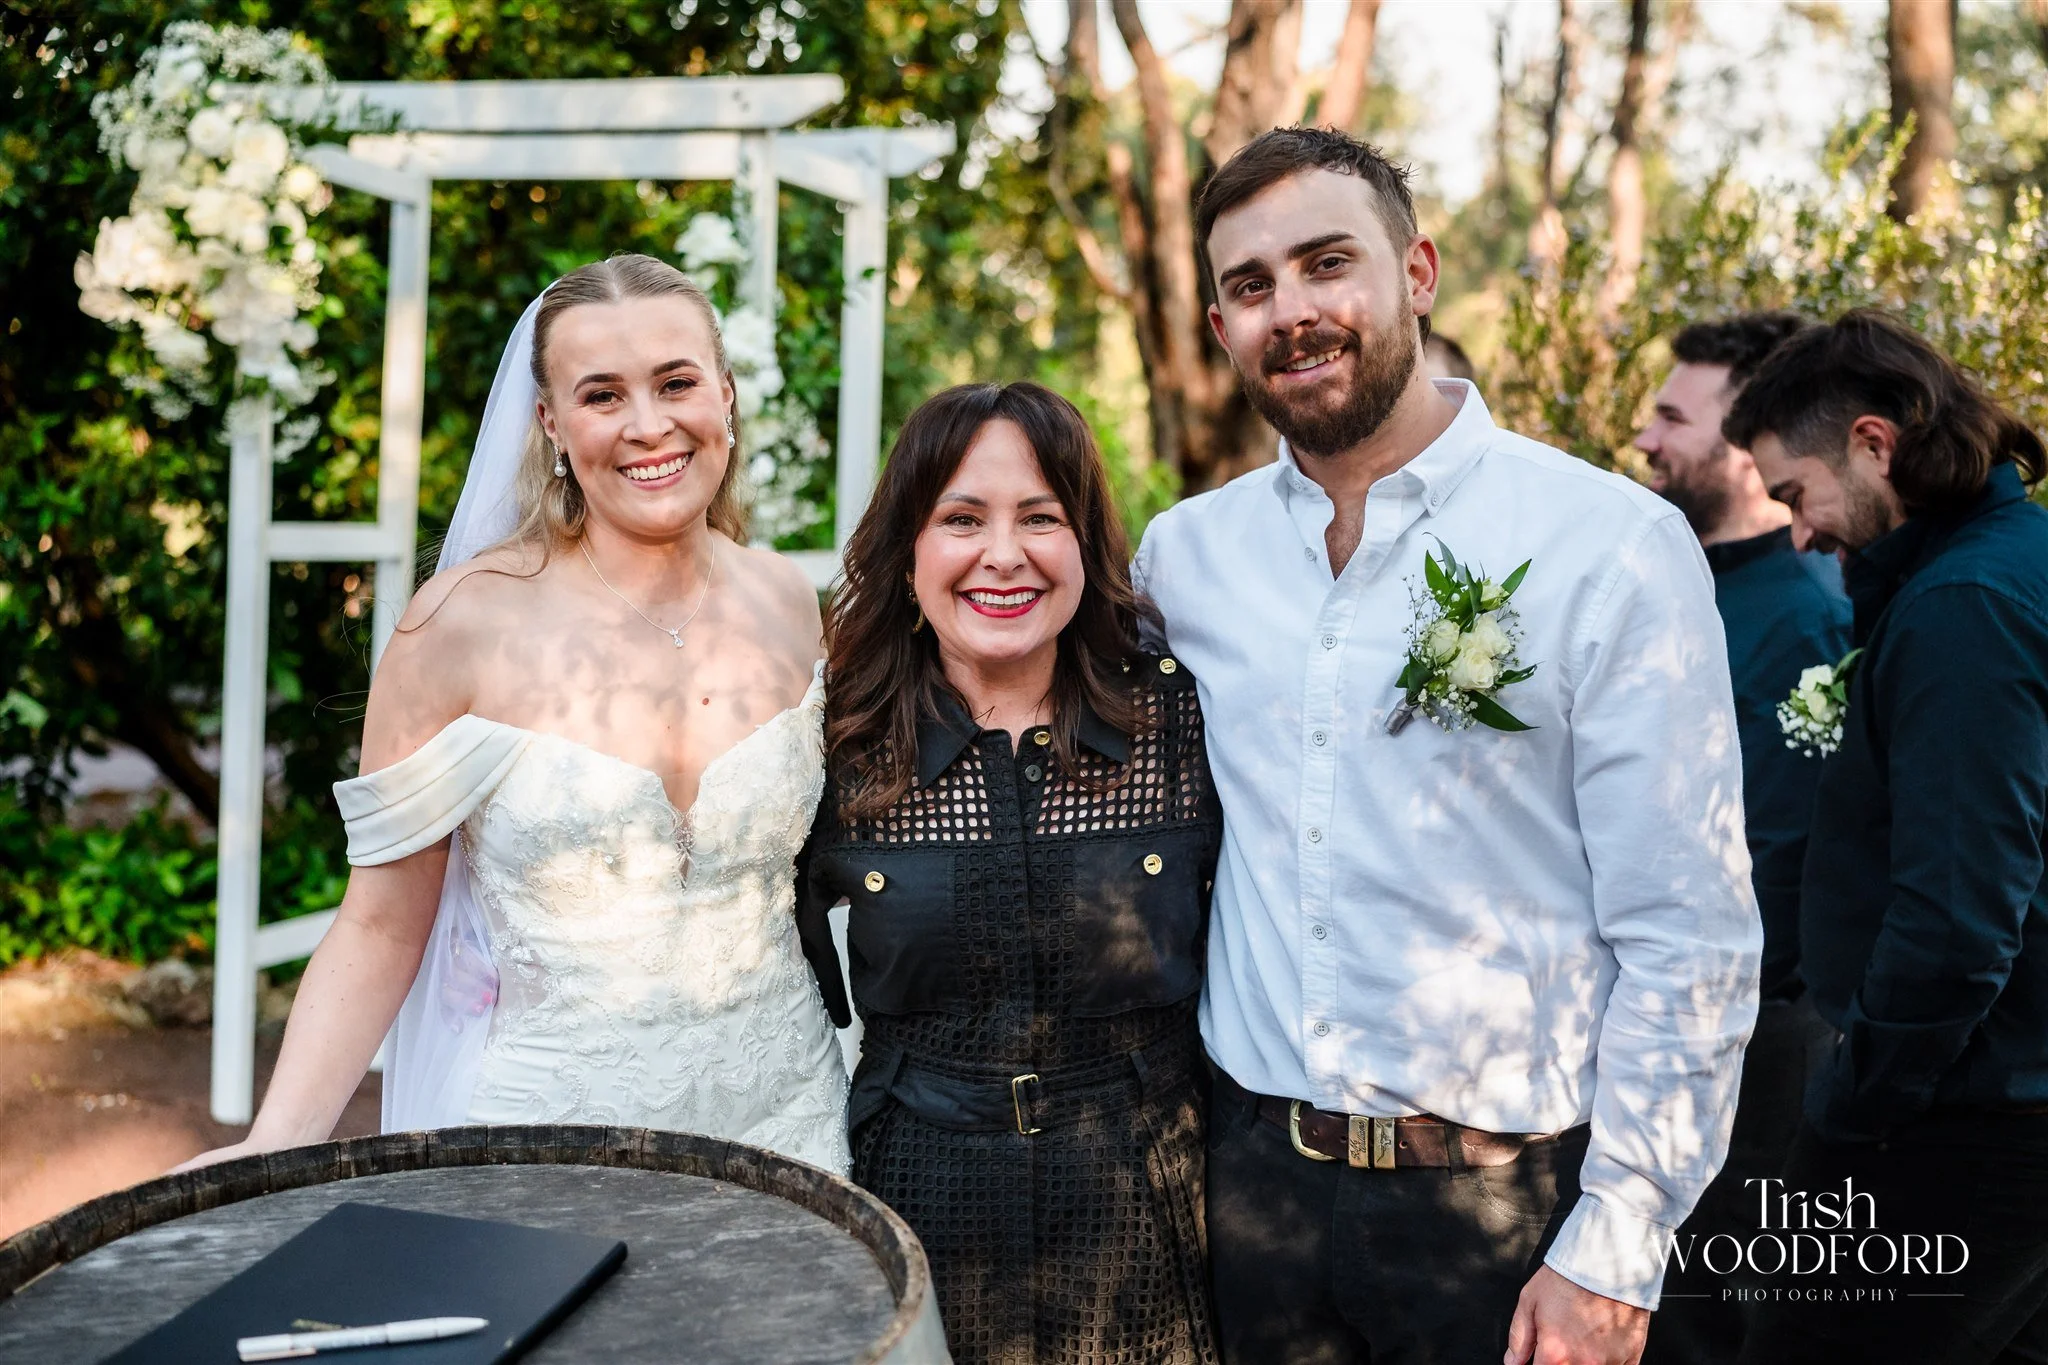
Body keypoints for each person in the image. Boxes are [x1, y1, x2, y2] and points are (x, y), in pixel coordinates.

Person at [1131, 126, 1760, 1365]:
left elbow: (1686, 929)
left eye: (1326, 264)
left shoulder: (1607, 547)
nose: (1291, 311)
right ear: (1218, 329)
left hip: (1507, 1207)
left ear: (1415, 273)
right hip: (1255, 1188)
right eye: (1250, 286)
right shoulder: (1183, 560)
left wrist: (1617, 1236)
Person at [180, 254, 849, 1173]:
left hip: (790, 1123)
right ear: (551, 422)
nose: (648, 424)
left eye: (676, 383)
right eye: (602, 395)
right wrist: (275, 1140)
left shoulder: (786, 599)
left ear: (725, 396)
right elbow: (381, 922)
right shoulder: (458, 626)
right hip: (549, 1142)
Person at [799, 382, 1222, 1364]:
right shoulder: (837, 747)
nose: (1003, 555)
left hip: (1147, 1211)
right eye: (960, 519)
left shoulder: (1180, 724)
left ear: (1084, 544)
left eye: (1040, 517)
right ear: (907, 553)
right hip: (914, 1201)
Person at [1723, 310, 2048, 1364]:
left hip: (1967, 1118)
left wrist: (1856, 1097)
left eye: (1793, 494)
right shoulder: (2009, 557)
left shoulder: (1964, 603)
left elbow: (1956, 917)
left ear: (1872, 443)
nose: (1801, 532)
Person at [1632, 313, 1850, 1364]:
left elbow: (1776, 859)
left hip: (1750, 1040)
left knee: (1706, 1321)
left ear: (1748, 439)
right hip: (1646, 1021)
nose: (1642, 437)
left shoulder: (1802, 617)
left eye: (1673, 417)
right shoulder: (1668, 586)